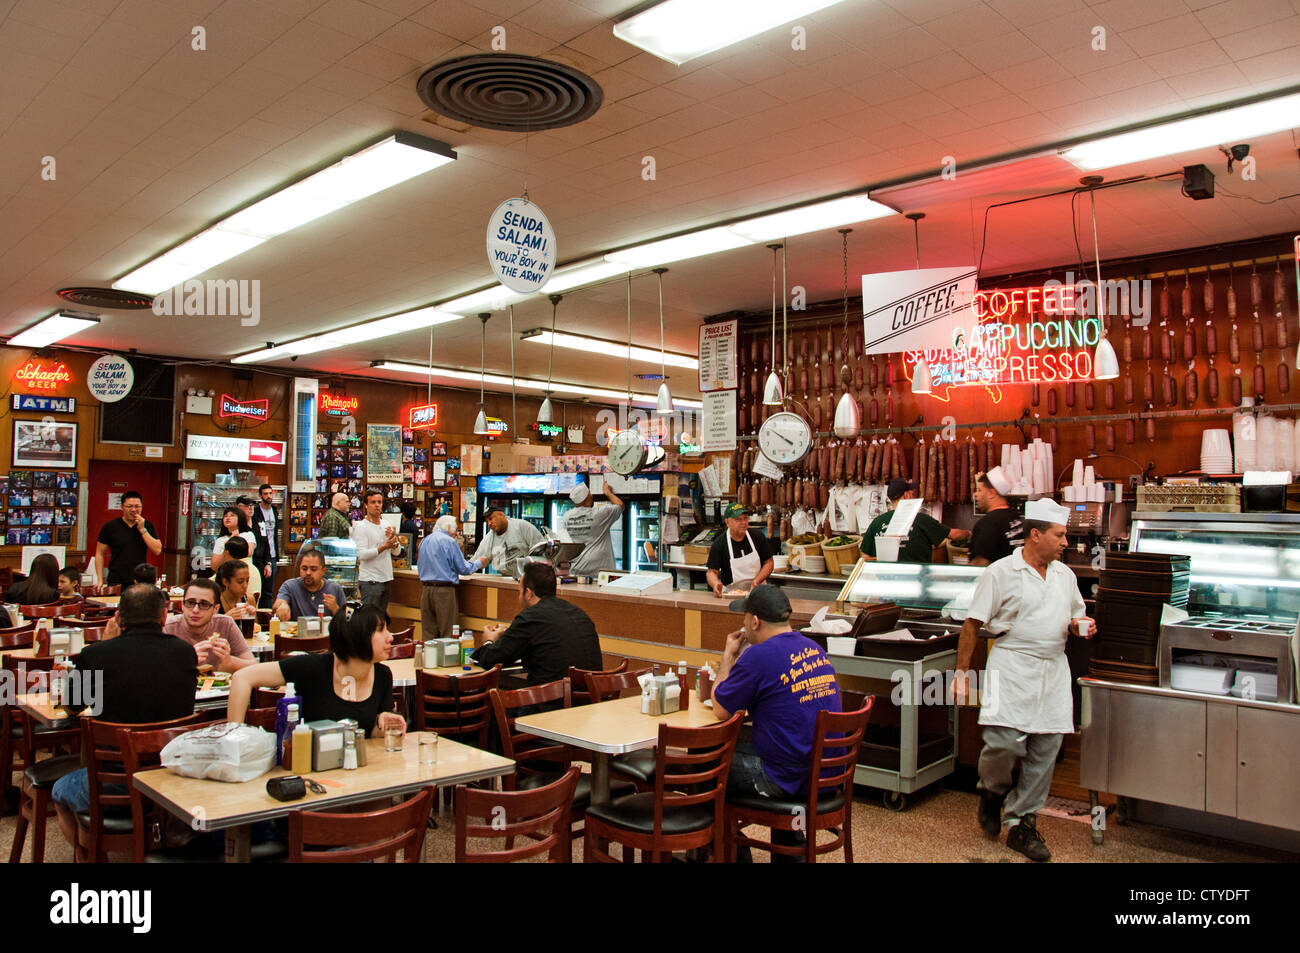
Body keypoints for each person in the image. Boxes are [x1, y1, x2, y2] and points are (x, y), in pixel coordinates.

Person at [952, 499, 1096, 862]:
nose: (1066, 543)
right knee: (1003, 745)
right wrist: (960, 673)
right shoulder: (1001, 572)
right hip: (1011, 664)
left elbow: (1076, 616)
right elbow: (972, 624)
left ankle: (1022, 824)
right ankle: (991, 792)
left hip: (1053, 669)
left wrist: (1084, 626)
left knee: (1045, 750)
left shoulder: (1065, 576)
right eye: (1060, 535)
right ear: (1036, 535)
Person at [51, 585, 197, 814]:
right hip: (172, 774)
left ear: (118, 617)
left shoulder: (96, 655)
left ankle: (94, 847)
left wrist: (102, 643)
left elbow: (71, 707)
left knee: (59, 790)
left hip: (113, 781)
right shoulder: (185, 652)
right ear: (163, 615)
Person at [227, 604, 404, 739]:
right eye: (381, 630)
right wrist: (234, 737)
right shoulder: (313, 667)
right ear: (356, 637)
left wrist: (385, 724)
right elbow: (243, 677)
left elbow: (368, 735)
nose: (391, 637)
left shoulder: (382, 675)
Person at [473, 562, 602, 685]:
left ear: (528, 593)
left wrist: (489, 641)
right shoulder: (579, 614)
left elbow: (491, 660)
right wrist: (509, 634)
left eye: (519, 591)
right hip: (591, 699)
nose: (519, 597)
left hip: (552, 701)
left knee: (495, 695)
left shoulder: (530, 618)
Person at [860, 479, 969, 563]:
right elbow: (954, 535)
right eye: (911, 492)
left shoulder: (877, 522)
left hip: (887, 583)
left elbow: (865, 556)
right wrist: (969, 533)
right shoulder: (921, 519)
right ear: (906, 495)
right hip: (918, 580)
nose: (913, 495)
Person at [162, 578, 255, 672]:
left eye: (204, 604)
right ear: (182, 605)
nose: (195, 610)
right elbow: (153, 671)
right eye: (190, 603)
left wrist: (229, 661)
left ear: (216, 609)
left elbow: (253, 665)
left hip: (216, 686)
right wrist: (187, 661)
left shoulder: (225, 624)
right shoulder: (167, 627)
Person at [418, 515, 482, 640]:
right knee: (448, 633)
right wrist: (479, 563)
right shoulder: (449, 541)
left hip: (426, 590)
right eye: (455, 530)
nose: (456, 534)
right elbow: (464, 569)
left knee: (428, 634)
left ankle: (429, 659)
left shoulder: (425, 541)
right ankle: (446, 660)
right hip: (444, 591)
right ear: (448, 527)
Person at [94, 490, 161, 587]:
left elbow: (157, 550)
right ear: (122, 507)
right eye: (129, 506)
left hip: (139, 580)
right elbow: (99, 553)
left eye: (137, 506)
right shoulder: (110, 526)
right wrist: (99, 579)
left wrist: (142, 529)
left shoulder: (148, 525)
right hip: (116, 580)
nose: (133, 510)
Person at [706, 503, 774, 596]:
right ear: (727, 522)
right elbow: (711, 572)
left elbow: (769, 562)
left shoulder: (757, 536)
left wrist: (757, 581)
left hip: (758, 591)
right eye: (738, 519)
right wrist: (715, 583)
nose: (743, 522)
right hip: (731, 594)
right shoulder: (720, 543)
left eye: (745, 518)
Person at [352, 489, 402, 612]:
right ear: (365, 505)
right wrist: (383, 547)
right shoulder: (361, 527)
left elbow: (397, 552)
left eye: (379, 502)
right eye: (373, 502)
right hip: (370, 581)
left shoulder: (386, 524)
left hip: (386, 579)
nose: (377, 505)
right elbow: (362, 555)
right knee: (369, 620)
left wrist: (394, 542)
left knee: (381, 621)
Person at [562, 480, 624, 576]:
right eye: (590, 494)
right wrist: (608, 493)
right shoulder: (599, 514)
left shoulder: (566, 516)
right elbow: (620, 505)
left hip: (577, 570)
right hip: (601, 572)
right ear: (588, 498)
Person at [968, 467, 1023, 567]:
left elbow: (978, 566)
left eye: (979, 490)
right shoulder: (1015, 516)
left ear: (991, 494)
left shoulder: (988, 524)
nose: (975, 495)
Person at [272, 547, 345, 621]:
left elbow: (346, 622)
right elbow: (278, 603)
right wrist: (282, 606)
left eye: (313, 569)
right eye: (304, 568)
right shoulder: (290, 586)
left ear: (323, 571)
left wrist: (335, 608)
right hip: (297, 631)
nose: (308, 573)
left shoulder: (335, 588)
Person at [472, 507, 543, 578]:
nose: (489, 524)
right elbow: (478, 559)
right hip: (505, 578)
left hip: (527, 576)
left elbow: (541, 549)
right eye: (487, 521)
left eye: (490, 519)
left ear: (501, 515)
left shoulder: (522, 526)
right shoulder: (489, 537)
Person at [236, 495, 272, 596]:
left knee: (265, 594)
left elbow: (266, 543)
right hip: (245, 565)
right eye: (247, 506)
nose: (251, 508)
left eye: (252, 505)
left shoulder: (259, 522)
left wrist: (268, 563)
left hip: (260, 564)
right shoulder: (237, 526)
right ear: (239, 507)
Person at [250, 484, 279, 608]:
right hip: (259, 556)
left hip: (272, 555)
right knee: (256, 590)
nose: (269, 496)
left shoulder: (275, 511)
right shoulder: (256, 512)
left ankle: (266, 618)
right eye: (266, 494)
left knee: (269, 591)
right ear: (260, 495)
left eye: (270, 493)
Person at [219, 535, 261, 606]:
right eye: (240, 582)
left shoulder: (249, 599)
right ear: (225, 582)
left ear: (227, 553)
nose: (245, 586)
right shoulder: (215, 601)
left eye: (247, 581)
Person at [211, 506, 256, 571]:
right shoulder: (220, 540)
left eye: (232, 515)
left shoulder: (248, 535)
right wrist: (229, 541)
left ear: (240, 518)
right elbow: (214, 566)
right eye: (225, 516)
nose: (228, 518)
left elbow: (247, 554)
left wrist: (234, 540)